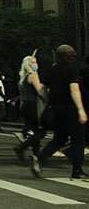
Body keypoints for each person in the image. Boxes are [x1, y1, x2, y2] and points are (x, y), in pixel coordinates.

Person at [32, 44, 89, 180]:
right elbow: (74, 90)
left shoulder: (53, 70)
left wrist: (49, 100)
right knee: (79, 137)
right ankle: (77, 170)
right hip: (70, 107)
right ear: (70, 56)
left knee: (60, 138)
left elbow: (41, 88)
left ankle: (40, 160)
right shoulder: (72, 70)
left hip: (56, 108)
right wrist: (81, 110)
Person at [13, 54, 48, 162]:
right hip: (33, 105)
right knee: (41, 132)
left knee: (35, 129)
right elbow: (39, 91)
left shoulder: (23, 78)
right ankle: (21, 148)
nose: (35, 64)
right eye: (33, 62)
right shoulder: (33, 75)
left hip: (25, 105)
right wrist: (48, 98)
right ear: (28, 64)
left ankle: (36, 154)